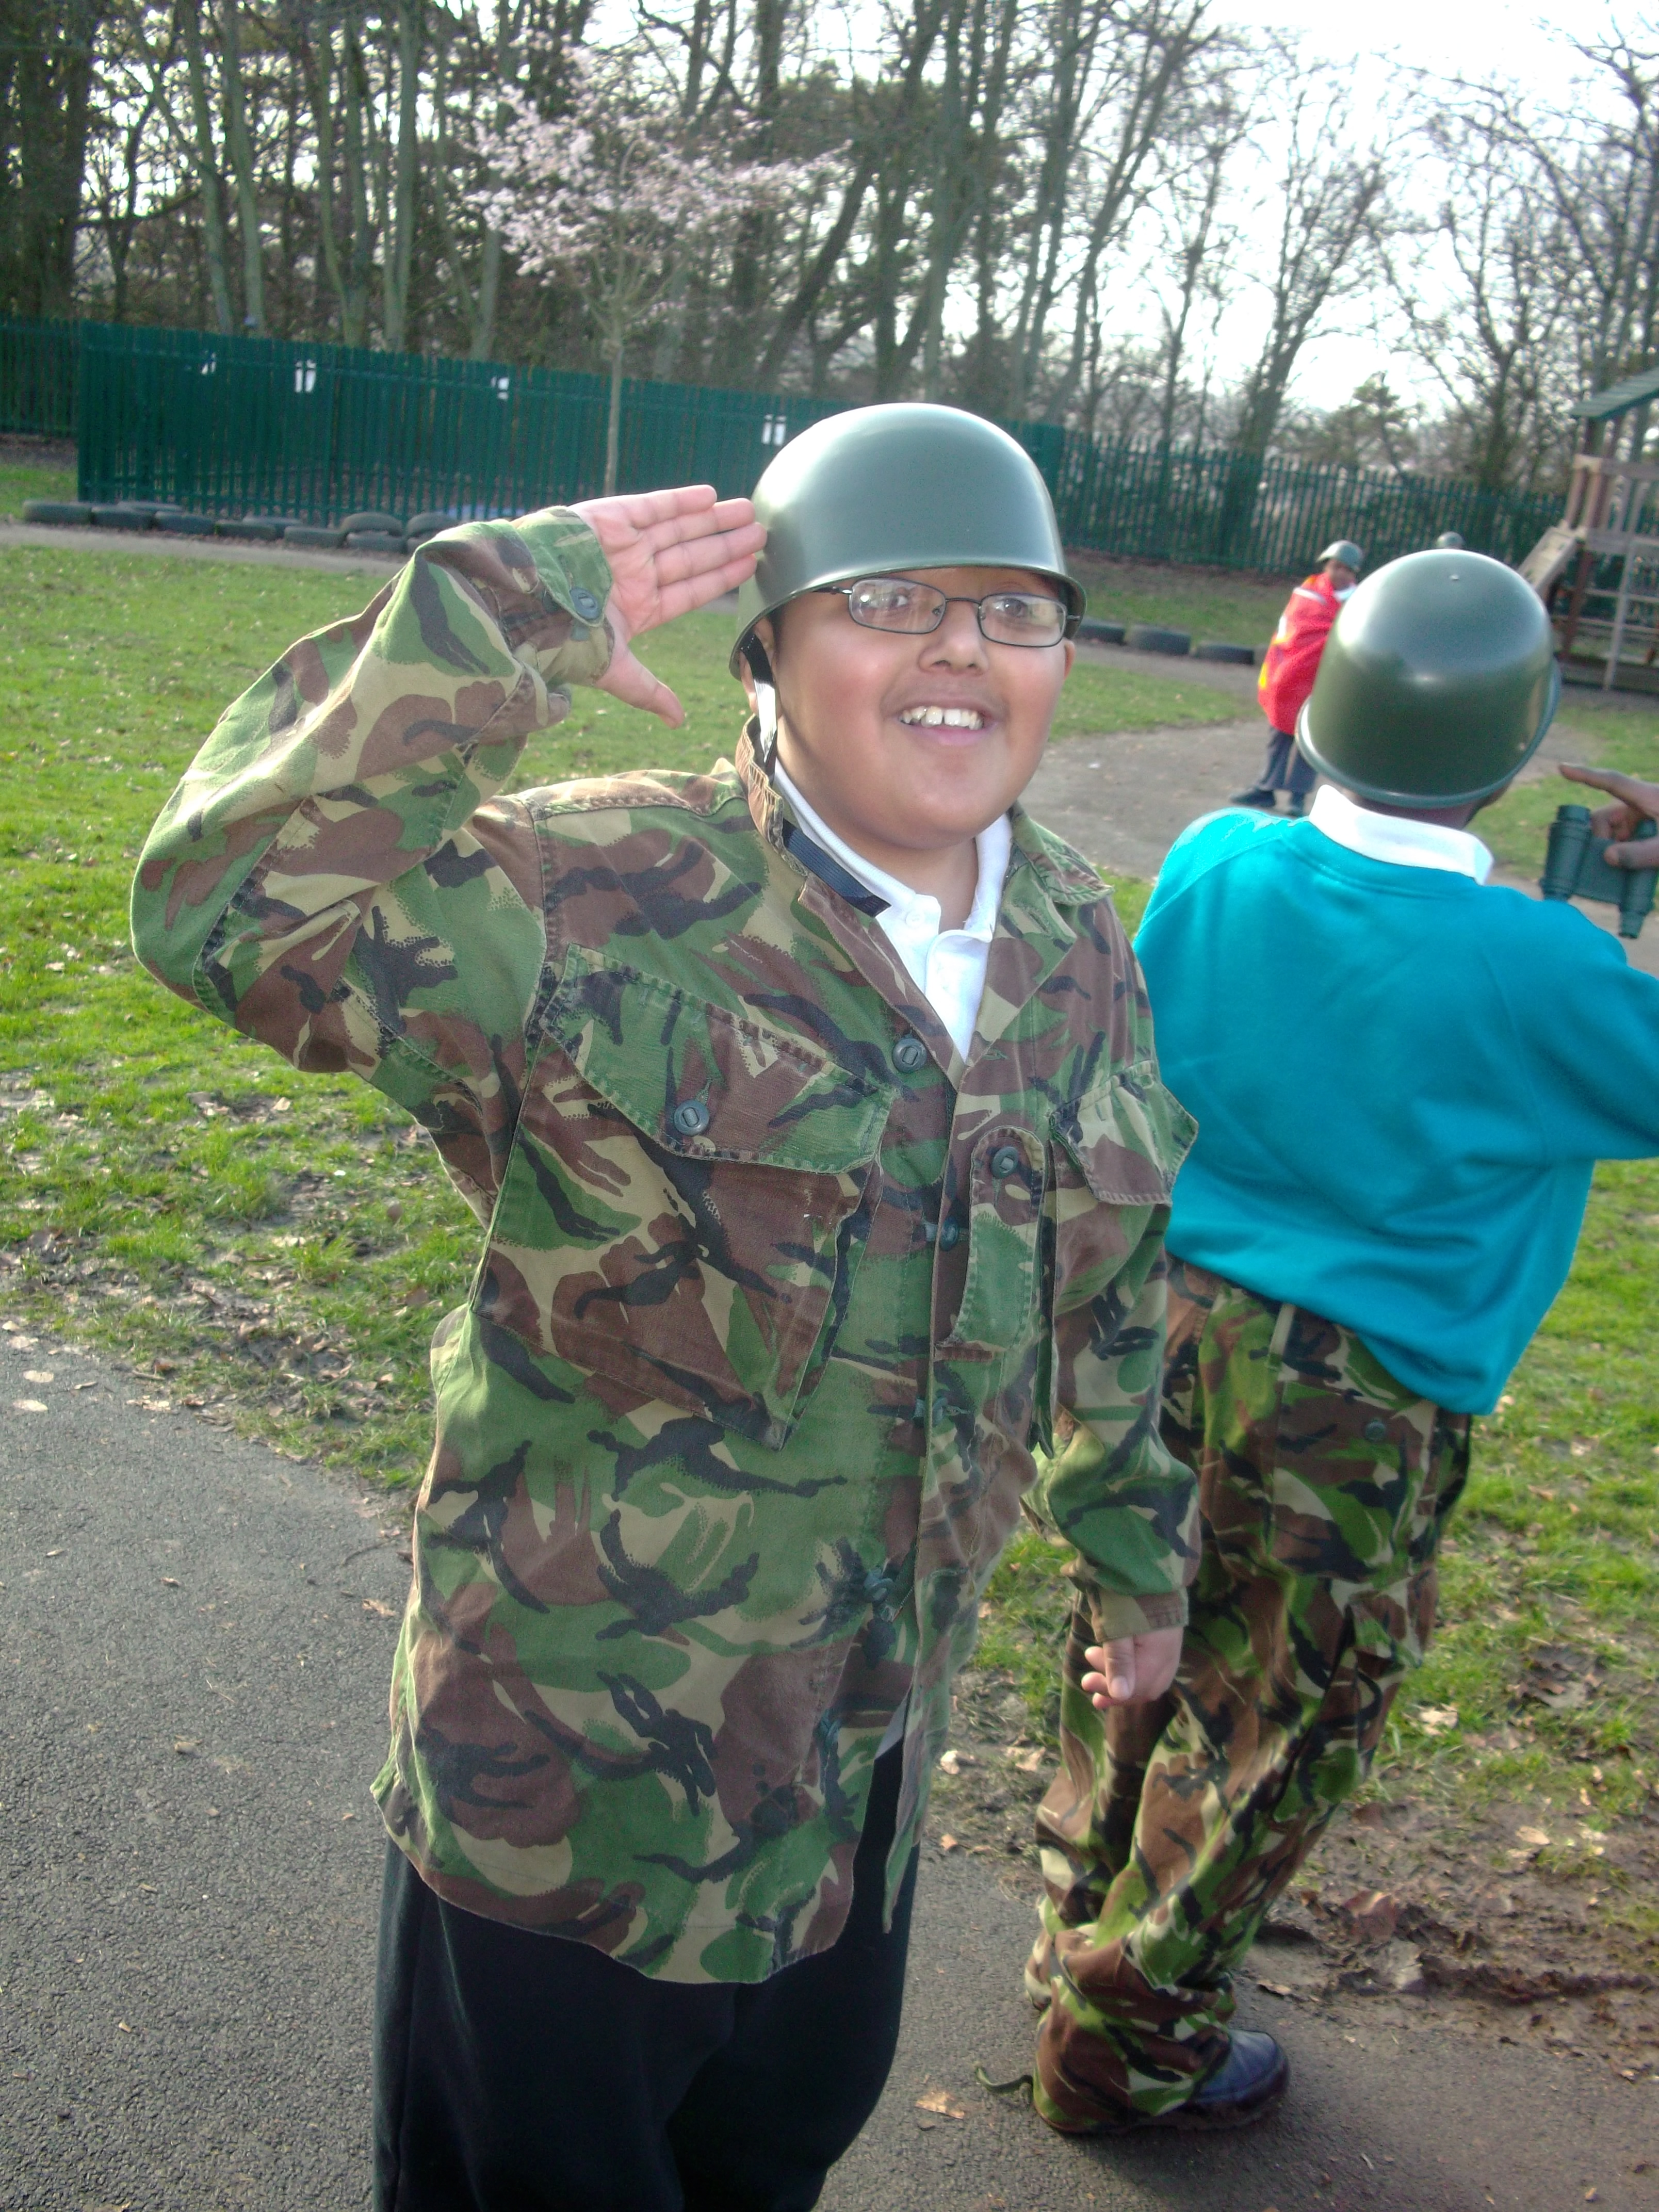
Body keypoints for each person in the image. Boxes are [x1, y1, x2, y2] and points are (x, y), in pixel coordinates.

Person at [130, 403, 1199, 2211]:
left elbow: (1101, 1271)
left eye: (1012, 611)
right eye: (892, 600)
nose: (961, 649)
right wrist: (494, 615)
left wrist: (1136, 1555)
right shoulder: (588, 891)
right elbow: (219, 906)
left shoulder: (1073, 941)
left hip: (855, 1778)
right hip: (571, 1801)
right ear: (765, 645)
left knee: (765, 2167)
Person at [1023, 548, 1659, 2136]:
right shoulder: (1544, 965)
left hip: (1162, 1333)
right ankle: (1127, 2042)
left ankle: (1073, 1940)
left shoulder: (1213, 858)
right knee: (1271, 1717)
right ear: (1518, 747)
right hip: (1356, 1401)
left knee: (1133, 1642)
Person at [1231, 538, 1363, 816]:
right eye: (1334, 566)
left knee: (1310, 737)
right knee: (1279, 731)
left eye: (1345, 569)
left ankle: (1298, 797)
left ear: (1353, 574)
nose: (1338, 573)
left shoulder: (1359, 602)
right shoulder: (1307, 592)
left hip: (1326, 679)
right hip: (1292, 674)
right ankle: (1265, 788)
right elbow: (1292, 629)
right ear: (1326, 566)